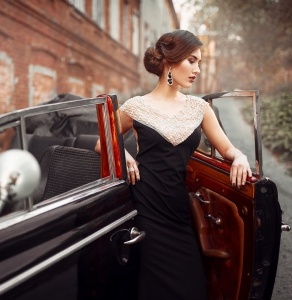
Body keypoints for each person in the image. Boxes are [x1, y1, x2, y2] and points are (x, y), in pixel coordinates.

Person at [95, 30, 252, 299]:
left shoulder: (199, 108)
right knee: (152, 288)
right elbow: (102, 144)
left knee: (191, 287)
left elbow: (226, 148)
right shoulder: (136, 107)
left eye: (199, 63)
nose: (197, 69)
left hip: (177, 212)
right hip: (146, 206)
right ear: (171, 61)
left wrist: (240, 157)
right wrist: (125, 152)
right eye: (192, 61)